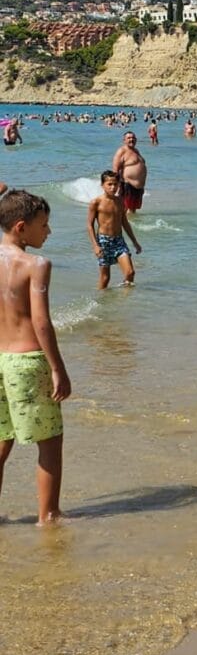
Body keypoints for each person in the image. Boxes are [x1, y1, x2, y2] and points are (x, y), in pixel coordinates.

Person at [0, 191, 70, 524]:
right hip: (26, 361)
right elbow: (41, 322)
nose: (49, 231)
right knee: (50, 443)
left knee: (1, 438)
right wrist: (57, 368)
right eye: (43, 225)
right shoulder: (35, 265)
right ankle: (49, 515)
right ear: (21, 227)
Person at [86, 171, 142, 290]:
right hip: (103, 242)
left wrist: (135, 242)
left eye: (115, 184)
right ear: (102, 185)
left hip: (119, 241)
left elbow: (124, 223)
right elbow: (90, 225)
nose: (113, 187)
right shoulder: (96, 202)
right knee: (105, 278)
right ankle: (101, 302)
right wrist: (95, 245)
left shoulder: (120, 201)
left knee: (130, 273)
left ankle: (124, 300)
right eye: (109, 184)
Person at [110, 131, 147, 214]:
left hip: (138, 188)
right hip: (127, 185)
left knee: (133, 211)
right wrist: (117, 186)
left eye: (133, 138)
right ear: (124, 140)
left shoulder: (136, 151)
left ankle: (132, 226)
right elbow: (115, 170)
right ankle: (123, 225)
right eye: (129, 138)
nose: (132, 139)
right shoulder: (122, 151)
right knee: (125, 210)